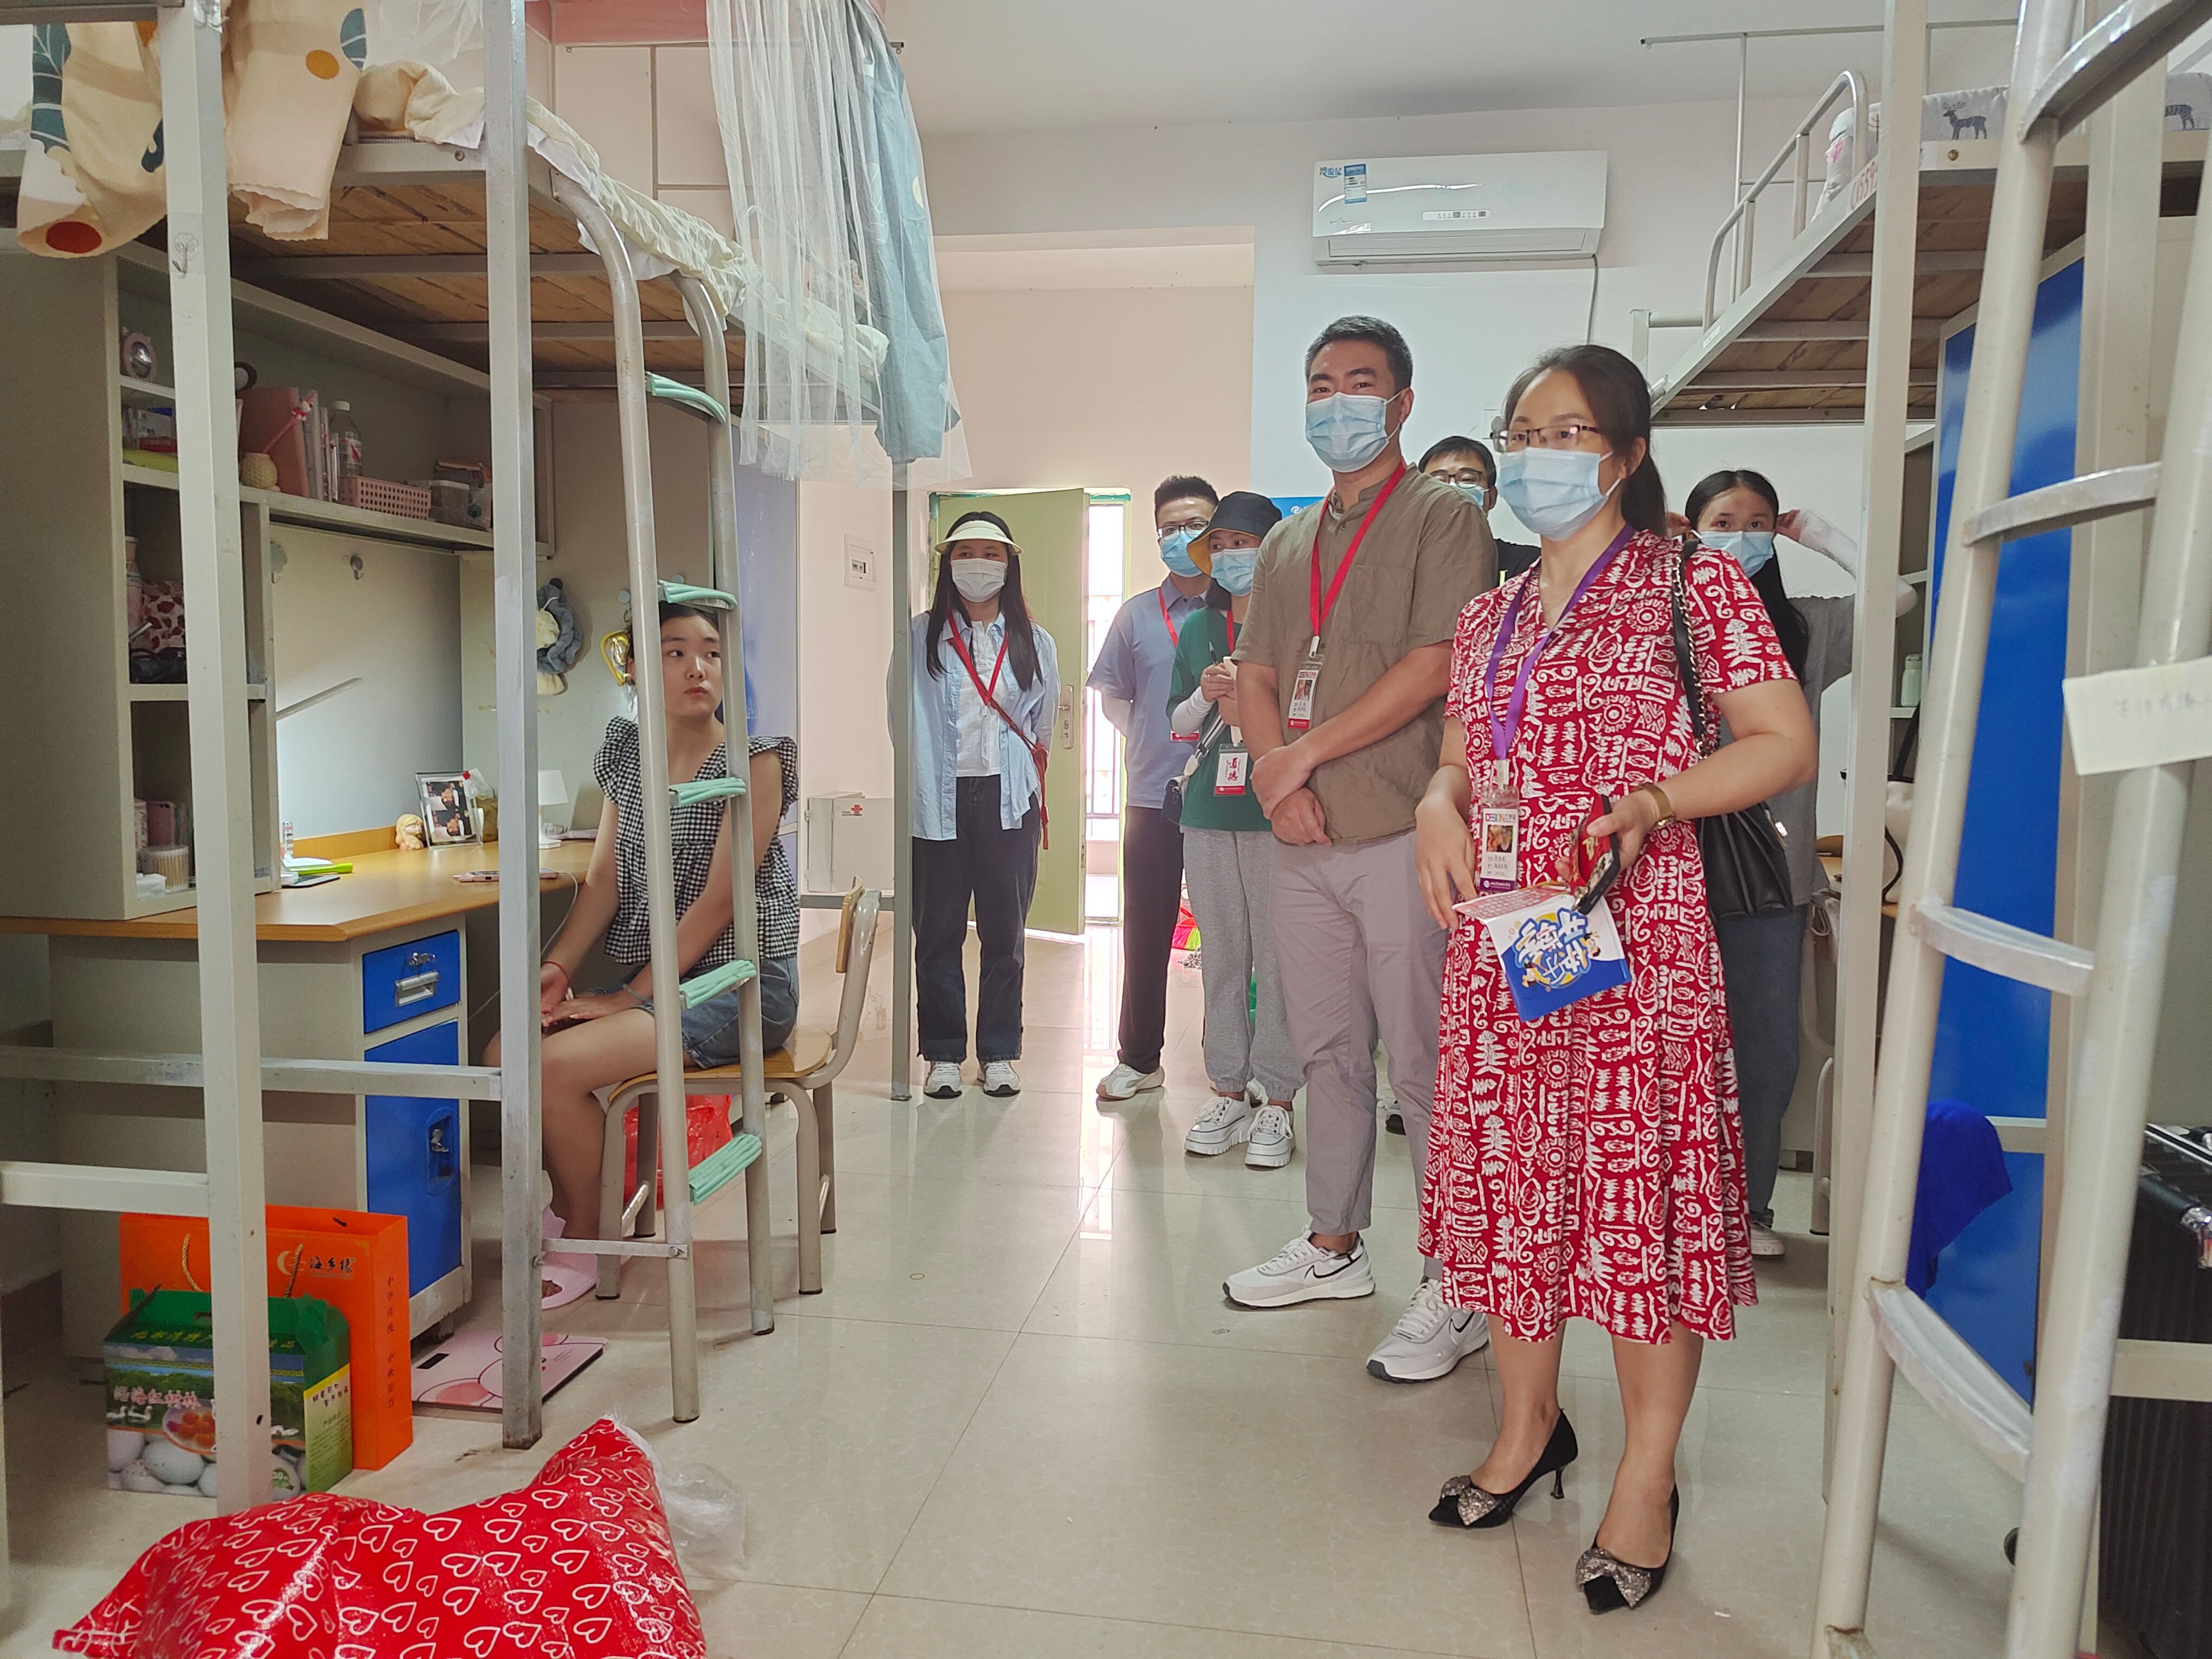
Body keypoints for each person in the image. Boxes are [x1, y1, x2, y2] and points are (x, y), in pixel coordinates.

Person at [1413, 345, 1816, 1611]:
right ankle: (1528, 1428)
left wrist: (1655, 798)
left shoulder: (1692, 581)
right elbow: (1460, 755)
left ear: (1629, 455)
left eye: (1569, 430)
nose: (1539, 453)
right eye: (1522, 430)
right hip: (1510, 942)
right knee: (1514, 1190)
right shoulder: (1488, 612)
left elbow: (1781, 741)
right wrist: (1434, 801)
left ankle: (1646, 1475)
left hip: (1636, 945)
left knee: (1636, 1205)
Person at [1220, 315, 1497, 1387]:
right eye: (1322, 384)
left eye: (1361, 383)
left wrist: (1300, 758)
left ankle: (1457, 1279)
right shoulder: (1288, 542)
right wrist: (1277, 777)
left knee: (1422, 1062)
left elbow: (1437, 664)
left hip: (1399, 831)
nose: (1339, 402)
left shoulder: (1442, 517)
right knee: (1327, 1051)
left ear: (1402, 402)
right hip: (1304, 838)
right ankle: (1333, 1245)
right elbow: (1257, 671)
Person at [487, 601, 801, 1307]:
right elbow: (603, 880)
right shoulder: (628, 754)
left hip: (741, 984)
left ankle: (593, 1231)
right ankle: (581, 1201)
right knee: (508, 1050)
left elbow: (718, 903)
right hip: (667, 978)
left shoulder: (756, 761)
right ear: (632, 667)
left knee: (551, 1067)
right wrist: (558, 968)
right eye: (674, 651)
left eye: (711, 653)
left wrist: (631, 997)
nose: (698, 668)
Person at [1680, 468, 1918, 1260]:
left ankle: (1743, 1210)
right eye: (1723, 521)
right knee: (1667, 1045)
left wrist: (1821, 536)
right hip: (1666, 865)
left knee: (1765, 1047)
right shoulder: (1660, 616)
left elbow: (1898, 601)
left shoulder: (1805, 628)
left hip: (1771, 876)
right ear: (1692, 528)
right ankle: (1667, 1211)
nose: (1741, 536)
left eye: (1757, 522)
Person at [899, 510, 1059, 1101]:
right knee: (936, 932)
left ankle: (998, 1053)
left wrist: (1021, 781)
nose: (978, 564)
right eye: (965, 552)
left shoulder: (1035, 641)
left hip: (1007, 800)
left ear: (1010, 564)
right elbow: (899, 719)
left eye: (991, 554)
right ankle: (943, 1054)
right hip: (938, 800)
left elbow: (1043, 723)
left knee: (1005, 934)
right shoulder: (919, 636)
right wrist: (925, 779)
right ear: (948, 563)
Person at [1162, 490, 1298, 1168]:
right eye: (1218, 546)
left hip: (1278, 811)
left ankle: (1279, 1098)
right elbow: (1177, 722)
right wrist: (1205, 695)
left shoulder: (1301, 625)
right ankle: (1226, 1088)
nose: (1229, 555)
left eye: (1242, 543)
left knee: (1278, 958)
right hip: (1210, 813)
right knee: (1221, 953)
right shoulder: (1199, 629)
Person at [1089, 476, 1217, 1102]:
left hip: (1229, 800)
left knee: (1232, 937)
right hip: (1152, 794)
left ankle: (1234, 1069)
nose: (1182, 536)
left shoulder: (1243, 610)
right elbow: (1116, 699)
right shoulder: (1136, 614)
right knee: (1144, 931)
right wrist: (1155, 741)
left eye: (1196, 524)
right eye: (1170, 527)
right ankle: (1139, 1060)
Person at [1420, 435, 1538, 580]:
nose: (1451, 490)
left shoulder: (1528, 565)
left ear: (1492, 498)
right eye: (1437, 482)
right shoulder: (1405, 564)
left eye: (1467, 479)